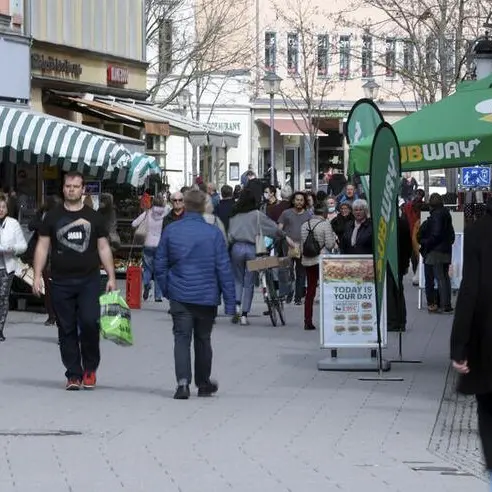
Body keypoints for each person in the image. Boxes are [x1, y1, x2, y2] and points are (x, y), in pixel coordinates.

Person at [33, 171, 116, 391]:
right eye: (68, 186)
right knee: (66, 328)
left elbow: (103, 247)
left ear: (83, 190)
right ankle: (73, 374)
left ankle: (90, 369)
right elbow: (42, 246)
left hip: (88, 280)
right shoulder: (52, 217)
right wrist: (36, 276)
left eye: (76, 186)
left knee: (90, 323)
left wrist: (111, 276)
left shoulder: (94, 217)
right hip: (60, 281)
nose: (71, 190)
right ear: (63, 188)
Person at [155, 190, 235, 400]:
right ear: (203, 207)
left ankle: (182, 384)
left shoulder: (171, 230)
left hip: (179, 293)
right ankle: (203, 383)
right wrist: (230, 303)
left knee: (181, 338)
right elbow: (223, 268)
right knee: (203, 339)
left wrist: (166, 289)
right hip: (207, 295)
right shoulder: (214, 233)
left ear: (186, 205)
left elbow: (160, 263)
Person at [450, 197, 492, 488]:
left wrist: (459, 346)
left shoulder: (479, 232)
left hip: (487, 343)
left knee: (489, 411)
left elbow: (470, 292)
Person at [228, 188, 292, 325]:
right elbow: (273, 228)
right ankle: (244, 315)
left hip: (236, 247)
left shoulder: (235, 216)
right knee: (249, 282)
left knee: (237, 280)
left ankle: (237, 306)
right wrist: (282, 236)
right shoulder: (257, 215)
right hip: (251, 248)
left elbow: (229, 236)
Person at [24, 195, 62, 326]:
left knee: (57, 286)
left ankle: (58, 314)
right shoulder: (41, 213)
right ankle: (51, 315)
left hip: (56, 252)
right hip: (43, 252)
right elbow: (31, 225)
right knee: (48, 286)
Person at [301, 203, 335, 331]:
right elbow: (330, 244)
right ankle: (329, 320)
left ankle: (307, 320)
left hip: (308, 261)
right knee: (327, 290)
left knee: (310, 291)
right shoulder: (325, 224)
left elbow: (302, 244)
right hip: (322, 260)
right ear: (325, 213)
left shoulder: (304, 225)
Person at [419, 193, 454, 313]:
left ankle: (444, 305)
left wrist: (425, 242)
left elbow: (436, 234)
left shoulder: (436, 215)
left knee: (439, 278)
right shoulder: (446, 214)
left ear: (431, 205)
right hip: (446, 250)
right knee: (444, 277)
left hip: (436, 251)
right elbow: (451, 235)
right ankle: (446, 303)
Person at [0, 194, 27, 341]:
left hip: (6, 266)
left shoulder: (13, 224)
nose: (1, 210)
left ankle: (0, 328)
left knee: (2, 297)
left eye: (3, 207)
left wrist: (12, 248)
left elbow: (23, 246)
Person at [132, 194, 168, 302]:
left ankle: (147, 284)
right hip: (160, 245)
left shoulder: (147, 213)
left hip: (147, 244)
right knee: (158, 271)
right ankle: (158, 296)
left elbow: (133, 224)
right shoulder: (166, 214)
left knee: (147, 268)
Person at [278, 192, 311, 305]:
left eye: (301, 200)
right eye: (297, 200)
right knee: (288, 271)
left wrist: (304, 243)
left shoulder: (308, 215)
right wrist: (287, 238)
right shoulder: (286, 213)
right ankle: (288, 294)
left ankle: (298, 297)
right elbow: (279, 229)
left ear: (304, 202)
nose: (299, 202)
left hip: (302, 246)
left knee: (301, 273)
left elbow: (310, 231)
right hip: (287, 246)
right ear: (293, 201)